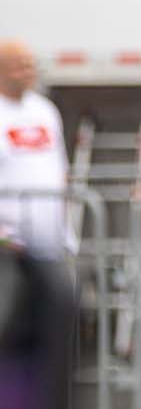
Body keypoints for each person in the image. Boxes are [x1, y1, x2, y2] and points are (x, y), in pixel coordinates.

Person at [0, 39, 71, 261]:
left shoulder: (45, 110)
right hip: (9, 243)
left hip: (50, 240)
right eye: (20, 65)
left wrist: (66, 228)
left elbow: (61, 170)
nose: (28, 71)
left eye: (31, 65)